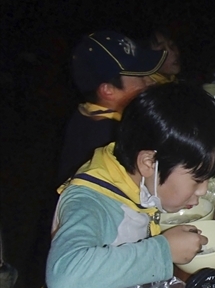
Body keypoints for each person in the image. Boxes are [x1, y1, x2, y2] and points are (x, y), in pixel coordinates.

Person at [46, 82, 215, 288]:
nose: (203, 190)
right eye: (197, 179)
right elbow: (63, 277)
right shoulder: (91, 202)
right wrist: (162, 251)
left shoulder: (128, 170)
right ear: (149, 162)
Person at [56, 30, 166, 185]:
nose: (151, 81)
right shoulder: (109, 138)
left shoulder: (90, 116)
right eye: (141, 76)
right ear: (108, 90)